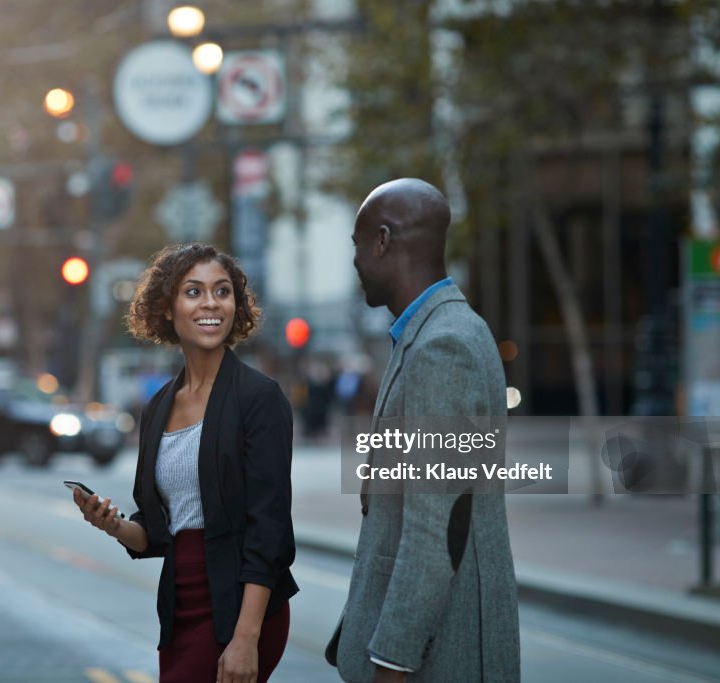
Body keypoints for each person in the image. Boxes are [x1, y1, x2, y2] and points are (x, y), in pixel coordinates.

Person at [74, 243, 298, 683]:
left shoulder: (259, 399)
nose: (211, 302)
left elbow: (269, 531)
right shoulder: (158, 407)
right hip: (182, 608)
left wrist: (245, 638)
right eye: (193, 292)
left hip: (240, 610)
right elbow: (159, 534)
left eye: (223, 291)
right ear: (167, 308)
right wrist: (112, 524)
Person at [326, 179, 520, 681]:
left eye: (357, 244)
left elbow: (438, 524)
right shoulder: (433, 332)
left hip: (437, 658)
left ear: (384, 240)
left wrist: (392, 661)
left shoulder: (443, 347)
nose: (355, 261)